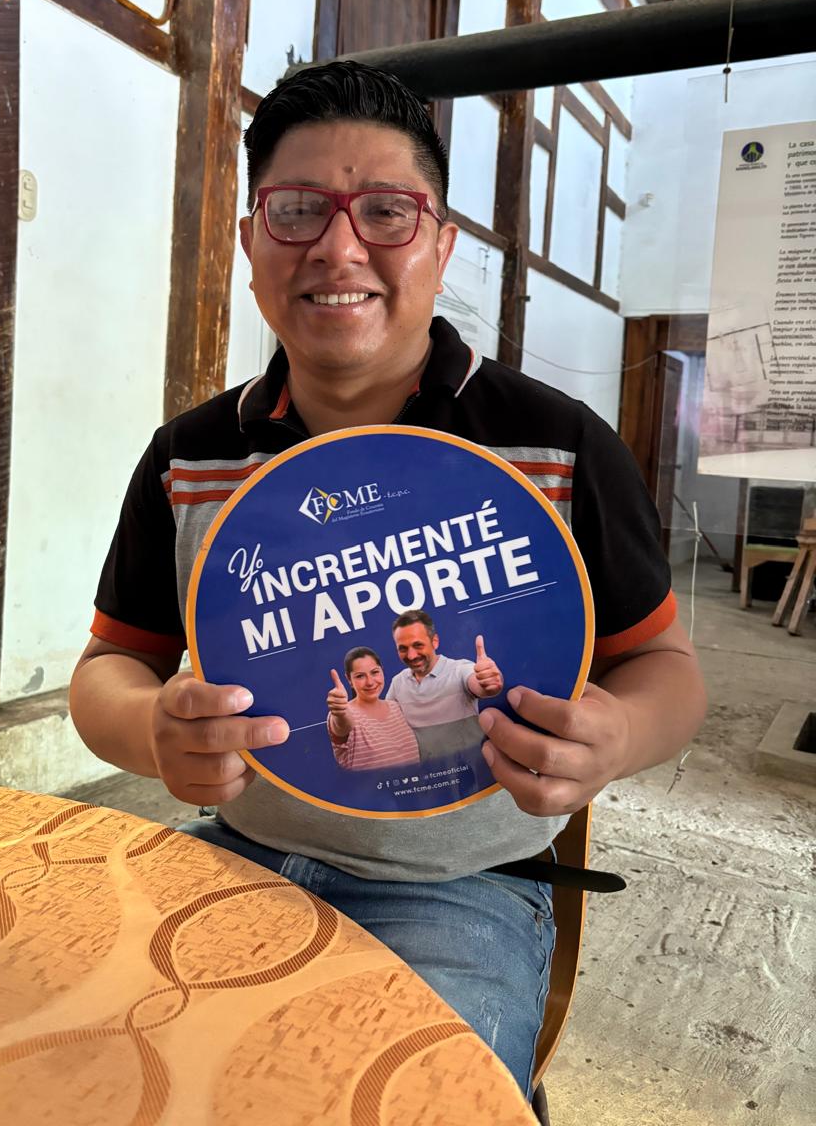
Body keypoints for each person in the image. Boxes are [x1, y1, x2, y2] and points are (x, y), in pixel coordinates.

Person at [69, 60, 706, 1099]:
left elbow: (667, 670)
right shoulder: (189, 457)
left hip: (462, 888)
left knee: (409, 1099)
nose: (338, 247)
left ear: (441, 247)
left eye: (385, 212)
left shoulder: (558, 446)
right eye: (296, 210)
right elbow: (109, 666)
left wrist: (619, 735)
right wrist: (149, 729)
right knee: (102, 1073)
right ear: (250, 243)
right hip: (233, 851)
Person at [387, 610, 503, 761]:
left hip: (473, 769)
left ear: (434, 641)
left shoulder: (459, 669)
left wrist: (489, 683)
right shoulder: (398, 682)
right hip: (428, 772)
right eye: (403, 648)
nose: (411, 655)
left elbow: (479, 684)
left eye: (418, 645)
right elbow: (385, 724)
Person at [326, 647, 420, 771]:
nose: (370, 682)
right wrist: (340, 712)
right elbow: (342, 724)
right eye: (360, 676)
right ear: (349, 680)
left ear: (382, 671)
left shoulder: (398, 708)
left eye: (375, 672)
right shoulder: (346, 712)